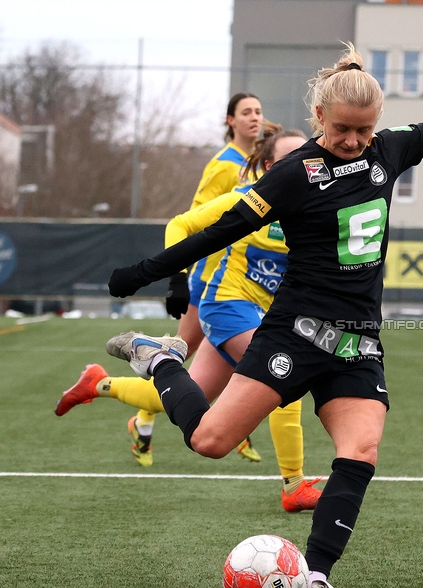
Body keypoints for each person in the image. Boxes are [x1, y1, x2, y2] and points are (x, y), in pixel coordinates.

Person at [105, 44, 423, 588]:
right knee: (210, 441)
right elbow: (220, 229)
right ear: (320, 119)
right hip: (294, 332)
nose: (354, 141)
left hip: (357, 340)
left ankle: (316, 579)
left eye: (364, 131)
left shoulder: (389, 150)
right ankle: (161, 361)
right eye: (342, 130)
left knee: (360, 450)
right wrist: (145, 273)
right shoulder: (293, 174)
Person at [56, 126, 323, 513]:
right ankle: (294, 485)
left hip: (255, 315)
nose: (298, 167)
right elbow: (179, 224)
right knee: (283, 371)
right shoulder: (246, 198)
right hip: (224, 304)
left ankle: (99, 383)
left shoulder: (311, 210)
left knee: (190, 399)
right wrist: (177, 278)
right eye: (286, 160)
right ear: (268, 167)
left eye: (304, 159)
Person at [139, 92, 266, 463]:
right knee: (181, 360)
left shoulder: (253, 160)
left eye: (258, 111)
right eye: (246, 113)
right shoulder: (226, 166)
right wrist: (182, 275)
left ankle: (235, 426)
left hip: (238, 278)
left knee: (194, 368)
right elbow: (195, 219)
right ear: (230, 121)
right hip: (211, 278)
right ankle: (133, 408)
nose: (254, 118)